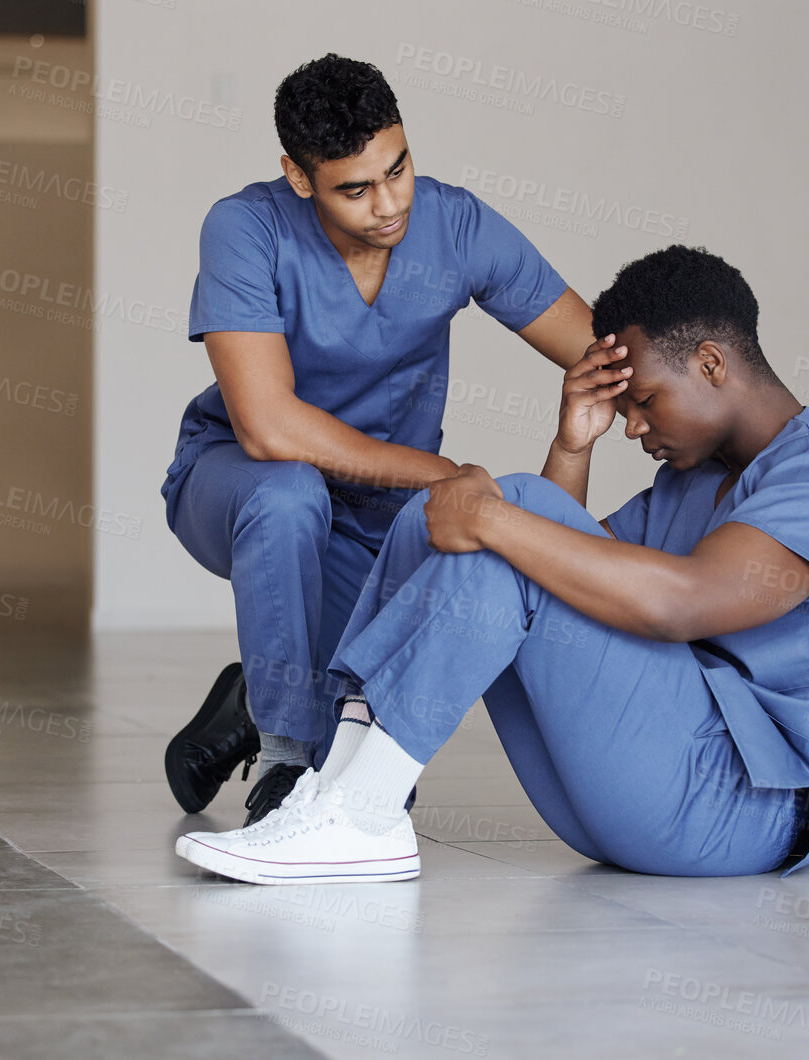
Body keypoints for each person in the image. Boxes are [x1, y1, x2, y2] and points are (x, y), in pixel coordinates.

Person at [175, 245, 809, 884]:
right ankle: (341, 796)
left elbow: (681, 602)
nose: (637, 427)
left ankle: (363, 821)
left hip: (746, 811)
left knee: (500, 511)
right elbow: (565, 583)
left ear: (712, 363)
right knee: (451, 515)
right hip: (642, 798)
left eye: (645, 400)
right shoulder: (691, 481)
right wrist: (572, 447)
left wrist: (498, 511)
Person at [160, 54, 596, 826]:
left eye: (399, 170)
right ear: (299, 177)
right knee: (287, 493)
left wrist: (713, 420)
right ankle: (284, 753)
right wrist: (442, 474)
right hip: (238, 485)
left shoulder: (455, 225)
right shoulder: (245, 228)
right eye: (355, 189)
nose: (390, 204)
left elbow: (594, 348)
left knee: (372, 772)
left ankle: (255, 693)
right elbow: (268, 428)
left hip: (373, 515)